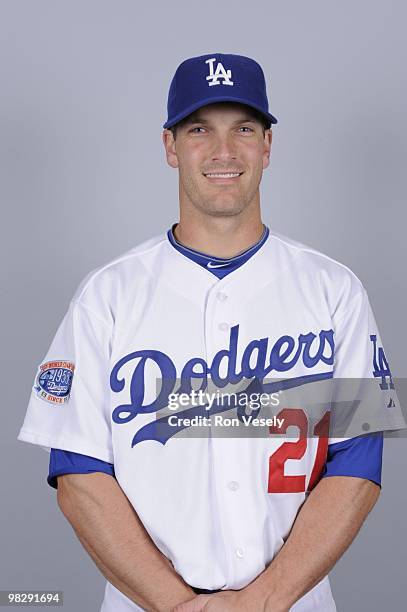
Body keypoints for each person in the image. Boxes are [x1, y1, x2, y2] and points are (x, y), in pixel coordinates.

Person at [18, 53, 406, 612]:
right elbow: (78, 472)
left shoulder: (334, 291)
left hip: (294, 604)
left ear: (267, 146)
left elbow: (358, 462)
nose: (223, 151)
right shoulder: (107, 295)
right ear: (170, 147)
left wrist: (264, 601)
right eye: (200, 129)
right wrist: (177, 606)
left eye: (243, 129)